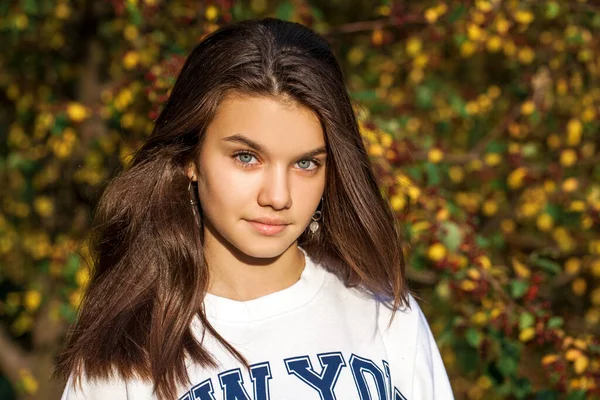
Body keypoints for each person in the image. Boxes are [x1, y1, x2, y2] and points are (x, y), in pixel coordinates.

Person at [56, 17, 454, 400]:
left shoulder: (383, 312)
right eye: (247, 157)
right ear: (189, 157)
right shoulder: (124, 354)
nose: (278, 197)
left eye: (306, 163)